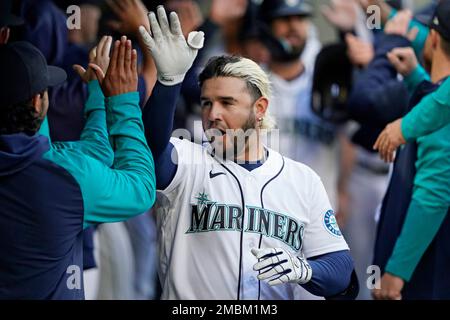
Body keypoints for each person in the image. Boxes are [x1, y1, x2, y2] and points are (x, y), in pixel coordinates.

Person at [138, 6, 356, 300]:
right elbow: (150, 152)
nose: (213, 113)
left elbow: (342, 271)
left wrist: (307, 271)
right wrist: (169, 83)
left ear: (260, 108)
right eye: (206, 103)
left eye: (227, 103)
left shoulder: (303, 180)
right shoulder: (187, 161)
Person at [0, 36, 155, 299]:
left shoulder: (62, 167)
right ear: (37, 102)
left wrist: (97, 97)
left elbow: (92, 153)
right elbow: (141, 187)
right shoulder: (68, 175)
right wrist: (123, 101)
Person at [371, 0, 450, 300]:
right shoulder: (434, 89)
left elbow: (434, 192)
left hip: (430, 271)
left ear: (433, 39)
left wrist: (395, 274)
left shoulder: (439, 108)